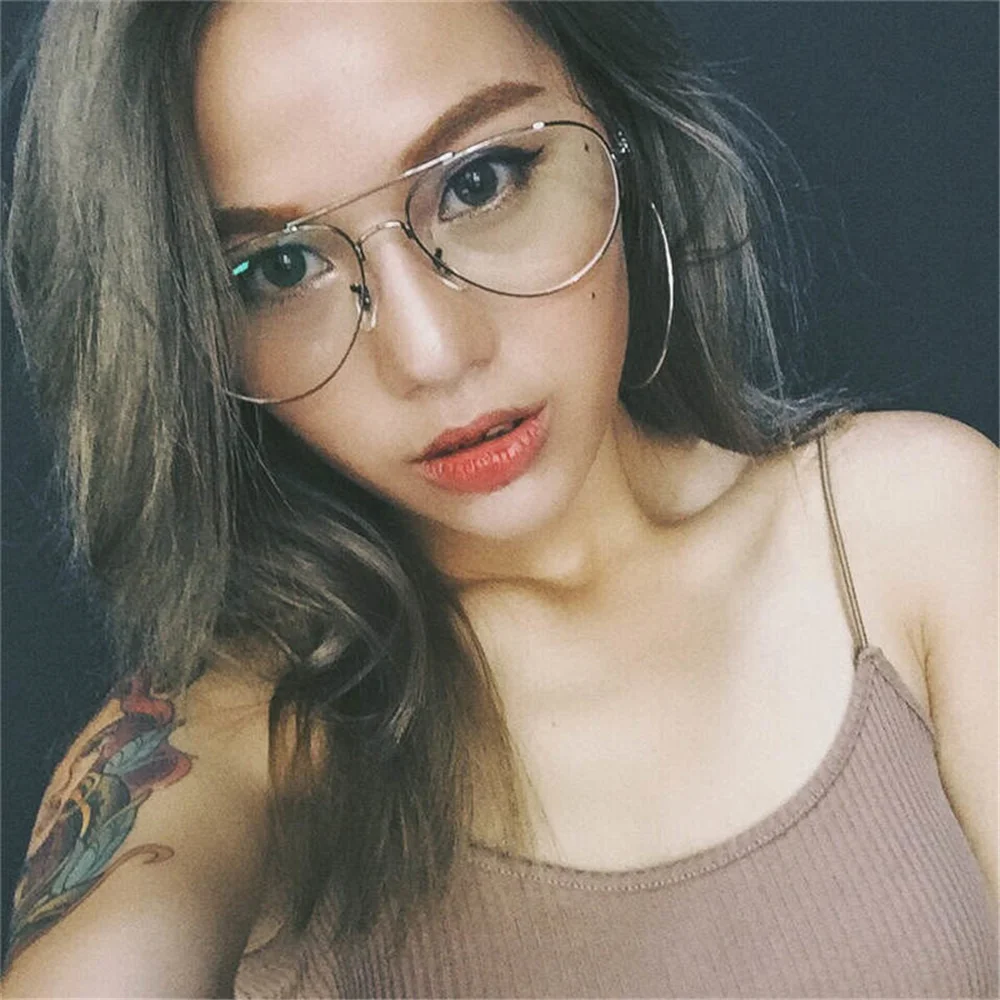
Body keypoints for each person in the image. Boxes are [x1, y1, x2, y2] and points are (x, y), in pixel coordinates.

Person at [2, 2, 996, 997]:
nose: (432, 354)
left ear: (616, 127)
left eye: (478, 182)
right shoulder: (228, 742)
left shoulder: (911, 530)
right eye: (281, 267)